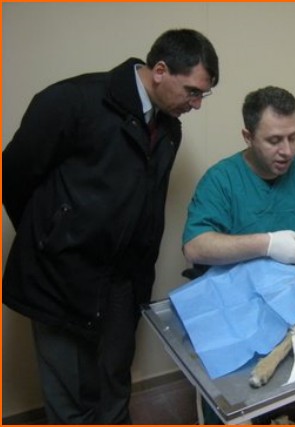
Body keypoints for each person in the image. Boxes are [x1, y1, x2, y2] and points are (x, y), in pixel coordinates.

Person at [2, 29, 219, 424]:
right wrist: (53, 236)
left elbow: (145, 205)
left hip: (123, 283)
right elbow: (13, 176)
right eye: (192, 91)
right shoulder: (73, 101)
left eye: (203, 95)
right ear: (159, 71)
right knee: (72, 399)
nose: (197, 104)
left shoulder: (169, 128)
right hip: (61, 278)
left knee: (115, 382)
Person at [182, 86, 295, 273]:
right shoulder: (221, 180)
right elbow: (195, 247)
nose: (287, 151)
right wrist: (267, 244)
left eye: (293, 138)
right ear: (248, 137)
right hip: (245, 288)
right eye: (274, 141)